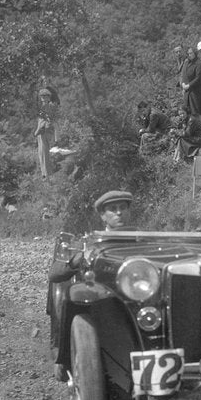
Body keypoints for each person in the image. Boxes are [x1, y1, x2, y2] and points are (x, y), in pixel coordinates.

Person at [49, 190, 134, 382]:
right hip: (102, 303)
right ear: (103, 215)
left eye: (123, 208)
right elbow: (54, 274)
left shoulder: (141, 240)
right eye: (113, 209)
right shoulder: (90, 242)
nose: (119, 212)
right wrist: (78, 259)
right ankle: (64, 353)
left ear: (129, 211)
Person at [179, 45, 201, 120]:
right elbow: (183, 74)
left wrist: (189, 85)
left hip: (197, 92)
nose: (189, 55)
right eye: (188, 53)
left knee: (196, 113)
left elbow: (199, 78)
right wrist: (183, 83)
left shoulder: (199, 63)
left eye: (191, 53)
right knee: (187, 112)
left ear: (195, 53)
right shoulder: (186, 62)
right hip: (187, 92)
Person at [34, 87, 60, 177]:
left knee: (45, 153)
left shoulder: (50, 107)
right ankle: (44, 174)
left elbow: (53, 121)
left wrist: (56, 138)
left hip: (47, 131)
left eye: (46, 96)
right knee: (41, 153)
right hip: (41, 132)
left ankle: (48, 174)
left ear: (49, 97)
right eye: (42, 96)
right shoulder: (40, 108)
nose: (44, 98)